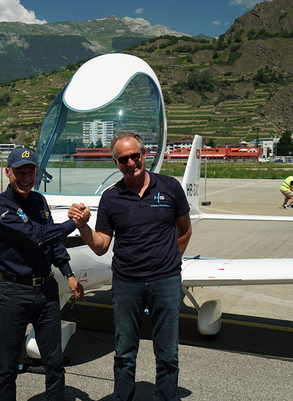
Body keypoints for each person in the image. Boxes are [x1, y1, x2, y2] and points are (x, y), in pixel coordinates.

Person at [69, 132, 192, 401]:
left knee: (168, 353)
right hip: (127, 284)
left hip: (165, 282)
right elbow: (101, 245)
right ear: (116, 162)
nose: (130, 163)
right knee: (124, 353)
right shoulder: (111, 198)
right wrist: (82, 227)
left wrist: (172, 262)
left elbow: (184, 230)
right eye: (123, 159)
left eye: (135, 156)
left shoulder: (170, 187)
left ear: (144, 154)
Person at [0, 147, 84, 401]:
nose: (26, 178)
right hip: (13, 294)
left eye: (31, 172)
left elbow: (52, 242)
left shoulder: (39, 201)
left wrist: (68, 273)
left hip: (47, 292)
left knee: (54, 362)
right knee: (7, 366)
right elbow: (35, 238)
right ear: (8, 172)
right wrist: (74, 223)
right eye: (20, 172)